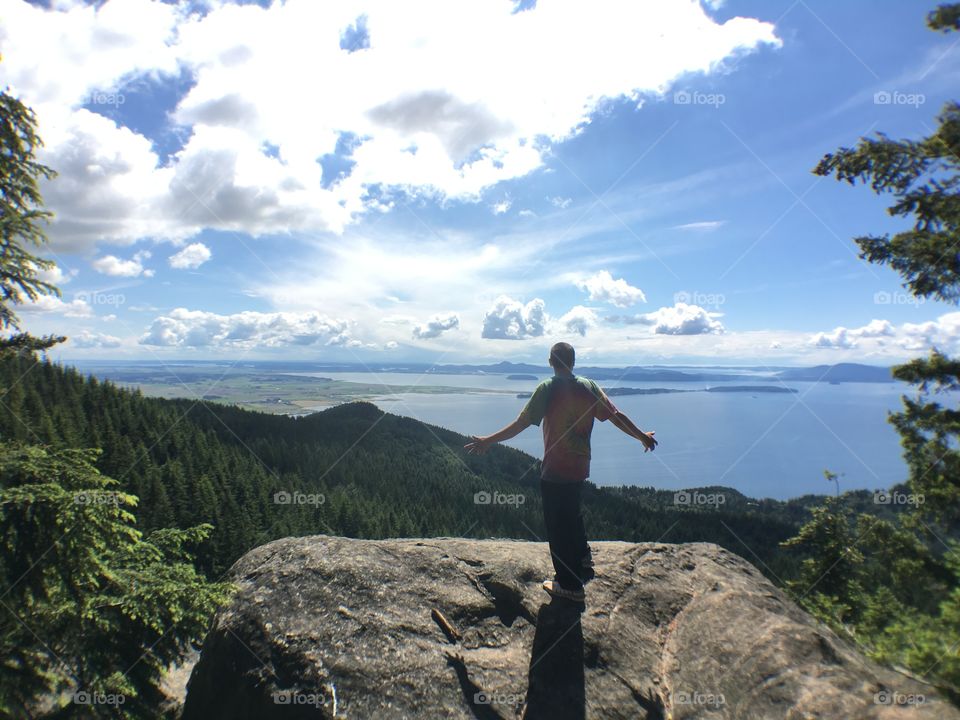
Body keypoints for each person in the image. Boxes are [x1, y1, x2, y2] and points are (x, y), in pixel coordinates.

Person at [464, 342, 657, 602]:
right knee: (572, 513)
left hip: (555, 469)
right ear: (573, 361)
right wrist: (641, 436)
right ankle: (582, 558)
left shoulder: (547, 389)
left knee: (558, 526)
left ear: (550, 362)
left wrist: (488, 440)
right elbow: (616, 415)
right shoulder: (589, 387)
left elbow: (522, 423)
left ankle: (569, 585)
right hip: (580, 465)